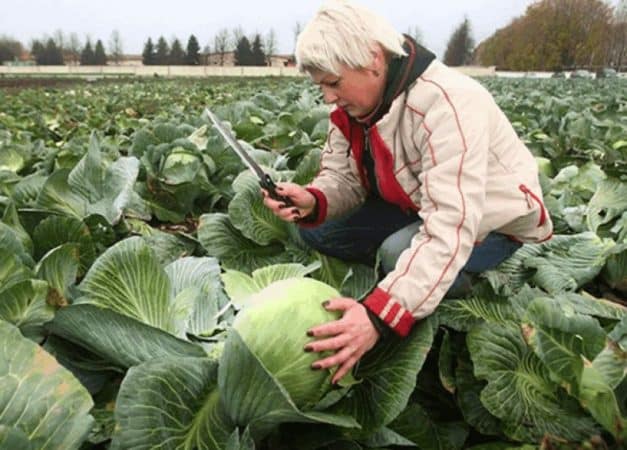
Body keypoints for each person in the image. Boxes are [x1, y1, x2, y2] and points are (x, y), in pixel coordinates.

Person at [262, 0, 553, 384]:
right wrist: (313, 199)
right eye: (321, 87)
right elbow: (343, 177)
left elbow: (452, 223)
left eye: (333, 83)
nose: (329, 97)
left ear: (373, 59)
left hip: (490, 221)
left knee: (397, 253)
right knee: (316, 229)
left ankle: (452, 284)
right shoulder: (356, 107)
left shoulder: (447, 103)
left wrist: (378, 315)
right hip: (414, 204)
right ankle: (412, 271)